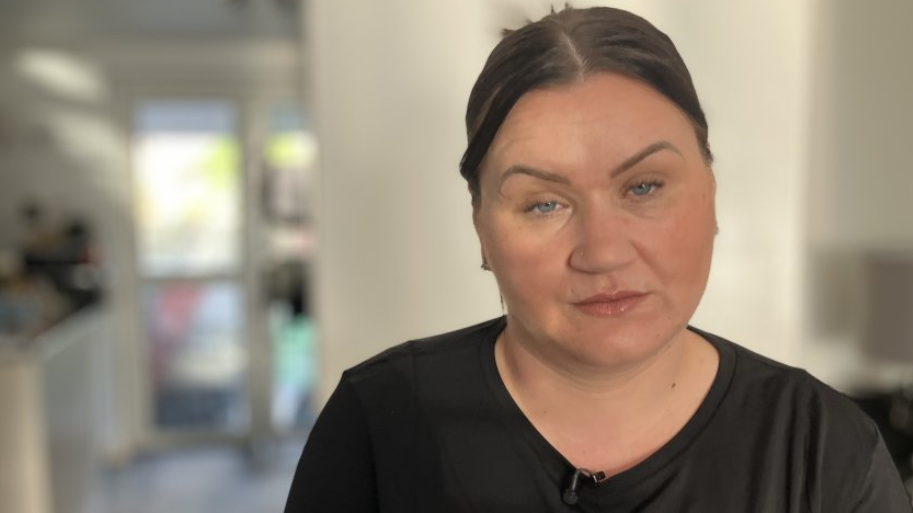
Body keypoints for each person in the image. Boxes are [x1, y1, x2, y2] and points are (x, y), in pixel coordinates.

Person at [285, 6, 911, 512]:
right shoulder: (381, 424)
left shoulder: (822, 448)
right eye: (544, 204)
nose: (603, 251)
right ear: (481, 229)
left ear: (711, 195)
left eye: (643, 187)